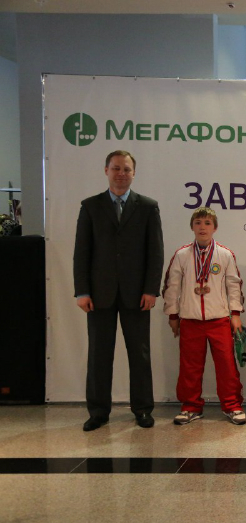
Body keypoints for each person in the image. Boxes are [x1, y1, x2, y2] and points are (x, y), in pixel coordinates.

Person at [73, 150, 164, 431]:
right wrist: (82, 291)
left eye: (126, 169)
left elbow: (155, 252)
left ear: (133, 173)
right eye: (116, 168)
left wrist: (151, 290)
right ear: (106, 171)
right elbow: (82, 252)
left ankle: (143, 409)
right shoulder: (90, 206)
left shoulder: (148, 207)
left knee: (140, 354)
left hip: (137, 295)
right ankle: (98, 412)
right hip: (98, 295)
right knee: (99, 355)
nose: (121, 173)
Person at [162, 207, 246, 425]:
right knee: (190, 366)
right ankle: (191, 406)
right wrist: (173, 315)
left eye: (207, 223)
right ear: (192, 226)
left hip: (219, 320)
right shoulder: (182, 255)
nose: (202, 227)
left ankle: (232, 405)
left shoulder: (225, 255)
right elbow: (172, 286)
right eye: (198, 223)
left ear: (215, 228)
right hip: (190, 320)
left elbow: (234, 286)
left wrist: (235, 314)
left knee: (227, 365)